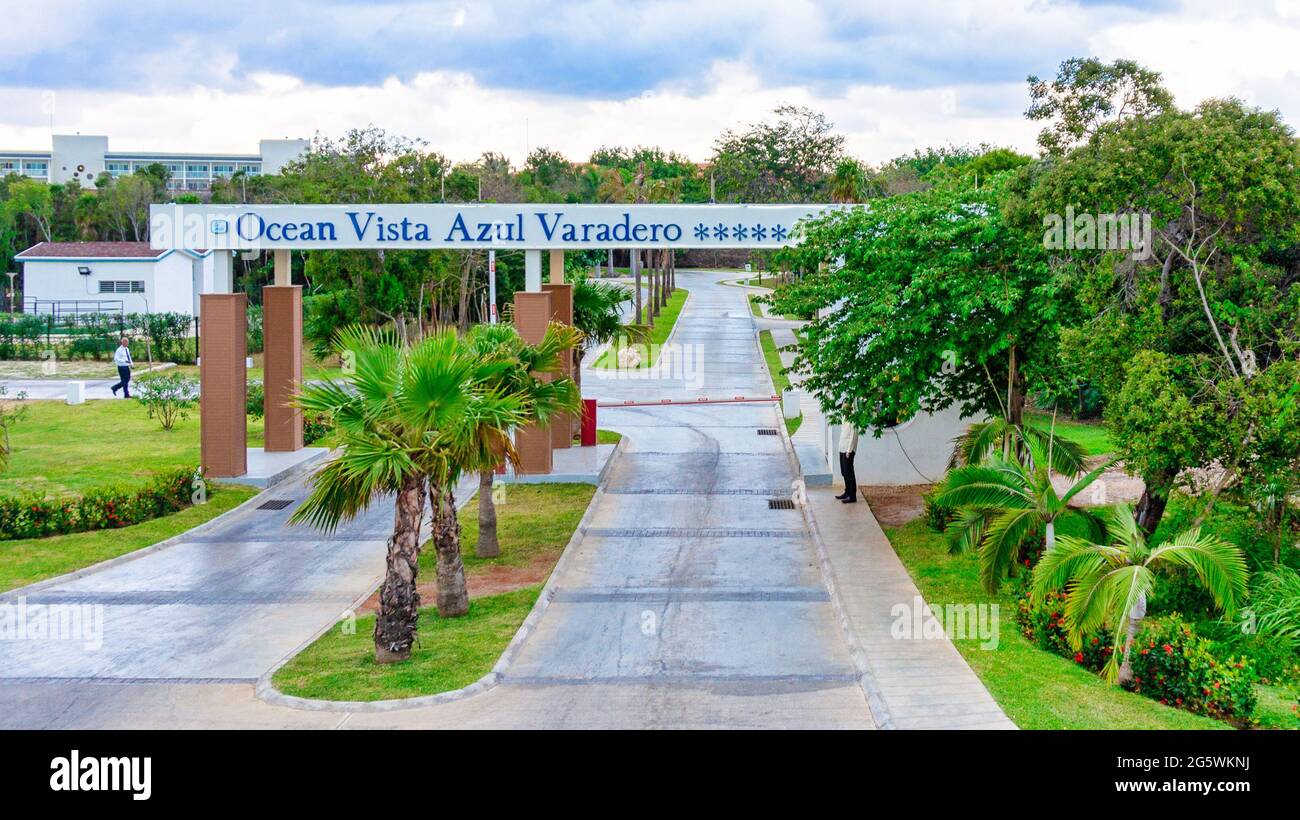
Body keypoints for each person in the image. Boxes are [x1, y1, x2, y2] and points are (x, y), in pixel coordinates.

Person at [836, 423, 859, 504]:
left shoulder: (853, 418)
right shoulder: (845, 415)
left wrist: (849, 450)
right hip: (842, 448)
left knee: (849, 473)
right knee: (844, 472)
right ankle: (847, 492)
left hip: (848, 450)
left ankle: (852, 496)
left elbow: (853, 435)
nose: (843, 409)